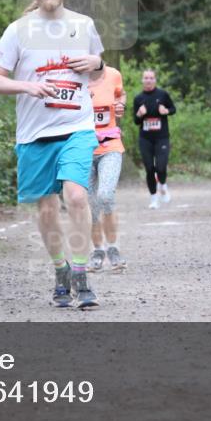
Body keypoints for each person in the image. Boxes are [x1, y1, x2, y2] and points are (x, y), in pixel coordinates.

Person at [0, 0, 104, 309]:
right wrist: (27, 87)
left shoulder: (84, 26)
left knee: (77, 197)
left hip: (76, 128)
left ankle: (81, 275)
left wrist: (97, 64)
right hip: (35, 134)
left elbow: (99, 72)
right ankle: (61, 271)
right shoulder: (17, 31)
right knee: (48, 209)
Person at [87, 65, 128, 273]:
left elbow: (121, 94)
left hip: (110, 146)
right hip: (83, 150)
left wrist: (120, 104)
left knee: (105, 195)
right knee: (91, 205)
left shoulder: (113, 74)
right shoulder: (71, 77)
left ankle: (113, 247)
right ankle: (97, 251)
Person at [133, 68, 176, 209]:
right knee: (149, 168)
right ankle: (153, 199)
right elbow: (136, 121)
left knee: (161, 166)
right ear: (142, 80)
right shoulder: (138, 99)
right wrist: (139, 114)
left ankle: (162, 185)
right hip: (145, 139)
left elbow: (173, 109)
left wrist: (166, 111)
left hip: (161, 137)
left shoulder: (162, 95)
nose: (148, 80)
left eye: (151, 78)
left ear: (155, 80)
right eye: (146, 78)